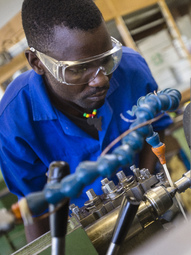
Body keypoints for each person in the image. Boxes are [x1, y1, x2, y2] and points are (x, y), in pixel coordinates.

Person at [0, 0, 172, 242]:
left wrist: (147, 185)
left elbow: (154, 130)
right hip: (85, 232)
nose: (101, 80)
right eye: (79, 69)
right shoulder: (13, 120)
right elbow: (35, 209)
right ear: (38, 63)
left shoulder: (131, 70)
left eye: (105, 60)